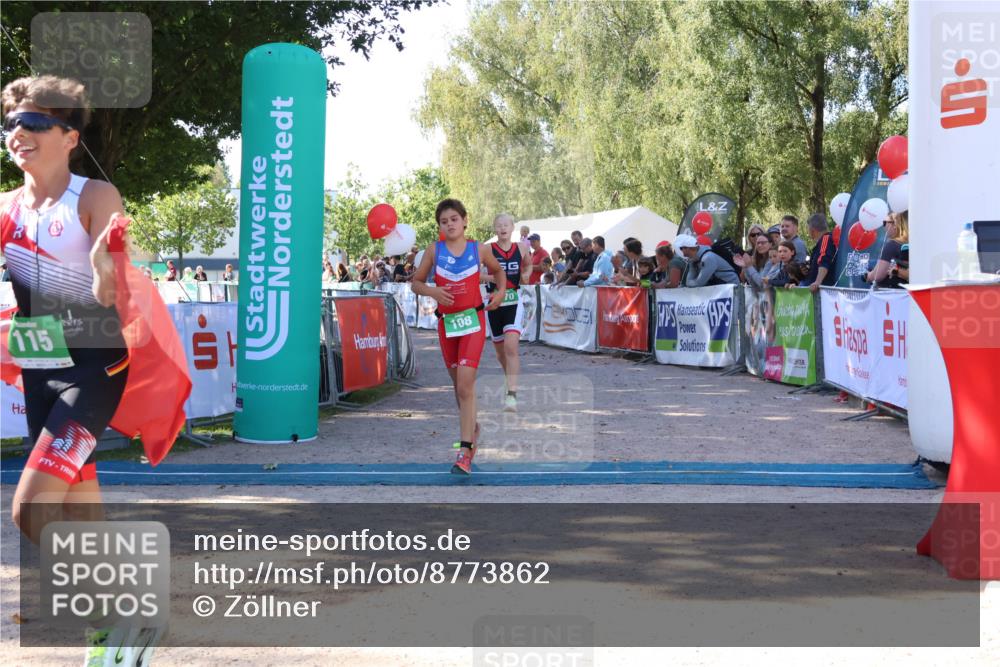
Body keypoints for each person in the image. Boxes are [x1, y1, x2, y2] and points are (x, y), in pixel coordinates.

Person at [1, 75, 179, 663]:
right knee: (80, 512)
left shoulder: (94, 196)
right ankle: (113, 636)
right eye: (9, 125)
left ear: (68, 135)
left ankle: (121, 609)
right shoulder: (6, 206)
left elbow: (109, 293)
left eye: (30, 124)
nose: (15, 135)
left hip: (94, 372)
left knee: (31, 508)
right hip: (38, 370)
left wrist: (106, 260)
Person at [411, 199, 505, 474]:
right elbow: (416, 282)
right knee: (458, 386)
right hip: (447, 325)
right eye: (444, 221)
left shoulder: (480, 249)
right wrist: (433, 292)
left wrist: (499, 293)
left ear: (465, 221)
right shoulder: (433, 250)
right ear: (439, 226)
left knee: (465, 384)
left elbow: (499, 273)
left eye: (454, 219)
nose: (449, 224)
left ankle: (465, 451)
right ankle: (472, 426)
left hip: (473, 321)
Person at [482, 213, 532, 412]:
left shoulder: (521, 247)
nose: (503, 228)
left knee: (511, 346)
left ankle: (512, 395)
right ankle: (508, 380)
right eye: (499, 225)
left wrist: (526, 274)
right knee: (501, 353)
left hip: (513, 300)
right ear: (495, 229)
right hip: (494, 302)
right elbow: (476, 274)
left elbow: (527, 264)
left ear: (512, 228)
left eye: (506, 225)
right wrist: (495, 278)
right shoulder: (487, 249)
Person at [865, 211, 909, 288]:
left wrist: (867, 276)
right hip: (910, 294)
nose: (884, 226)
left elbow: (878, 275)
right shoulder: (914, 243)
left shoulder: (892, 245)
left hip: (892, 295)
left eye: (885, 223)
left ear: (895, 224)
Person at [676, 235, 740, 286]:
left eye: (681, 248)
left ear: (688, 248)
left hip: (731, 290)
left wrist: (690, 283)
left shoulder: (708, 258)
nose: (681, 251)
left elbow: (698, 283)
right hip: (720, 289)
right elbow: (689, 281)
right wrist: (692, 265)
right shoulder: (694, 259)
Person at [804, 213, 838, 292]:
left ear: (812, 230)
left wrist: (818, 282)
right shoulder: (825, 240)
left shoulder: (825, 239)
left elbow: (824, 260)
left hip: (823, 290)